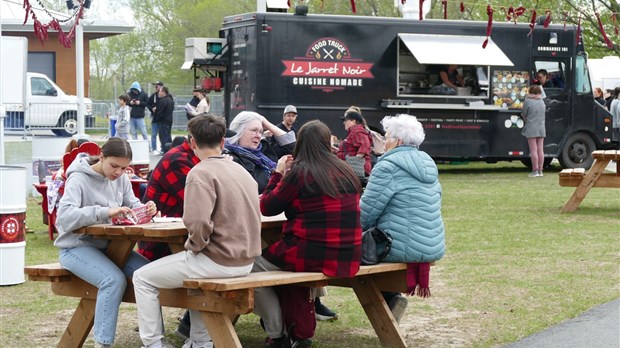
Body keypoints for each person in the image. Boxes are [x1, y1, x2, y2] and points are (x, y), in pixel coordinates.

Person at [133, 115, 261, 348]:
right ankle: (200, 341)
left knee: (141, 278)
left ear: (192, 141)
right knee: (198, 279)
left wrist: (195, 247)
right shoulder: (241, 171)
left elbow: (197, 222)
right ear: (223, 141)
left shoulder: (200, 173)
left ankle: (153, 344)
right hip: (246, 260)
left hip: (217, 261)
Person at [254, 120, 362, 348]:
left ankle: (277, 334)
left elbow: (267, 207)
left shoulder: (300, 173)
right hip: (348, 253)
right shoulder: (347, 171)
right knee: (282, 270)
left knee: (248, 269)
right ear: (326, 142)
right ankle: (290, 330)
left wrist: (278, 173)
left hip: (308, 252)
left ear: (300, 144)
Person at [54, 137, 158, 348]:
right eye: (114, 166)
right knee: (113, 280)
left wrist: (146, 208)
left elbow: (132, 205)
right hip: (75, 247)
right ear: (101, 156)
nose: (119, 172)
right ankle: (103, 344)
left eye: (124, 168)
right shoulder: (78, 179)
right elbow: (64, 217)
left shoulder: (121, 179)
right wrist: (105, 212)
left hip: (110, 248)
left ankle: (156, 342)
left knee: (150, 275)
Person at [360, 113, 445, 324]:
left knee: (349, 254)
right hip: (431, 243)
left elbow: (366, 214)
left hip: (398, 246)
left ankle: (390, 299)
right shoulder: (428, 164)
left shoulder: (387, 167)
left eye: (385, 137)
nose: (382, 141)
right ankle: (390, 299)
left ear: (397, 142)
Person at [224, 111, 295, 193]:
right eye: (254, 130)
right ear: (239, 131)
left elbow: (292, 148)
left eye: (261, 132)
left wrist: (266, 123)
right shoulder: (229, 159)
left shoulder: (264, 151)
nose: (258, 136)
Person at [337, 110, 373, 177]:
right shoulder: (355, 131)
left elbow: (365, 146)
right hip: (351, 170)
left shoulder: (358, 131)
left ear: (353, 121)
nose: (344, 123)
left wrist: (354, 162)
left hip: (355, 171)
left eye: (346, 120)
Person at [521, 85, 546, 177]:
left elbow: (524, 113)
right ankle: (540, 170)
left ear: (530, 92)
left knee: (533, 150)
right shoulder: (542, 101)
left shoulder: (528, 101)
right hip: (541, 127)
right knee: (540, 150)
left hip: (531, 127)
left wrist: (526, 119)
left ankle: (535, 170)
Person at [154, 86, 174, 154]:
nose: (159, 93)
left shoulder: (163, 101)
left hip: (163, 121)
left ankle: (165, 150)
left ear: (163, 92)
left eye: (160, 91)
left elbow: (160, 112)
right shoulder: (170, 100)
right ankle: (170, 149)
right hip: (169, 120)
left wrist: (156, 115)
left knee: (163, 137)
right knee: (168, 136)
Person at [146, 81, 164, 155]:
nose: (156, 88)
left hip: (162, 118)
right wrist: (152, 108)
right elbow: (148, 104)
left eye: (157, 86)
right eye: (155, 86)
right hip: (155, 117)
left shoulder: (165, 96)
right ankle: (154, 148)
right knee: (154, 134)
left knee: (162, 134)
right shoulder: (153, 96)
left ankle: (163, 148)